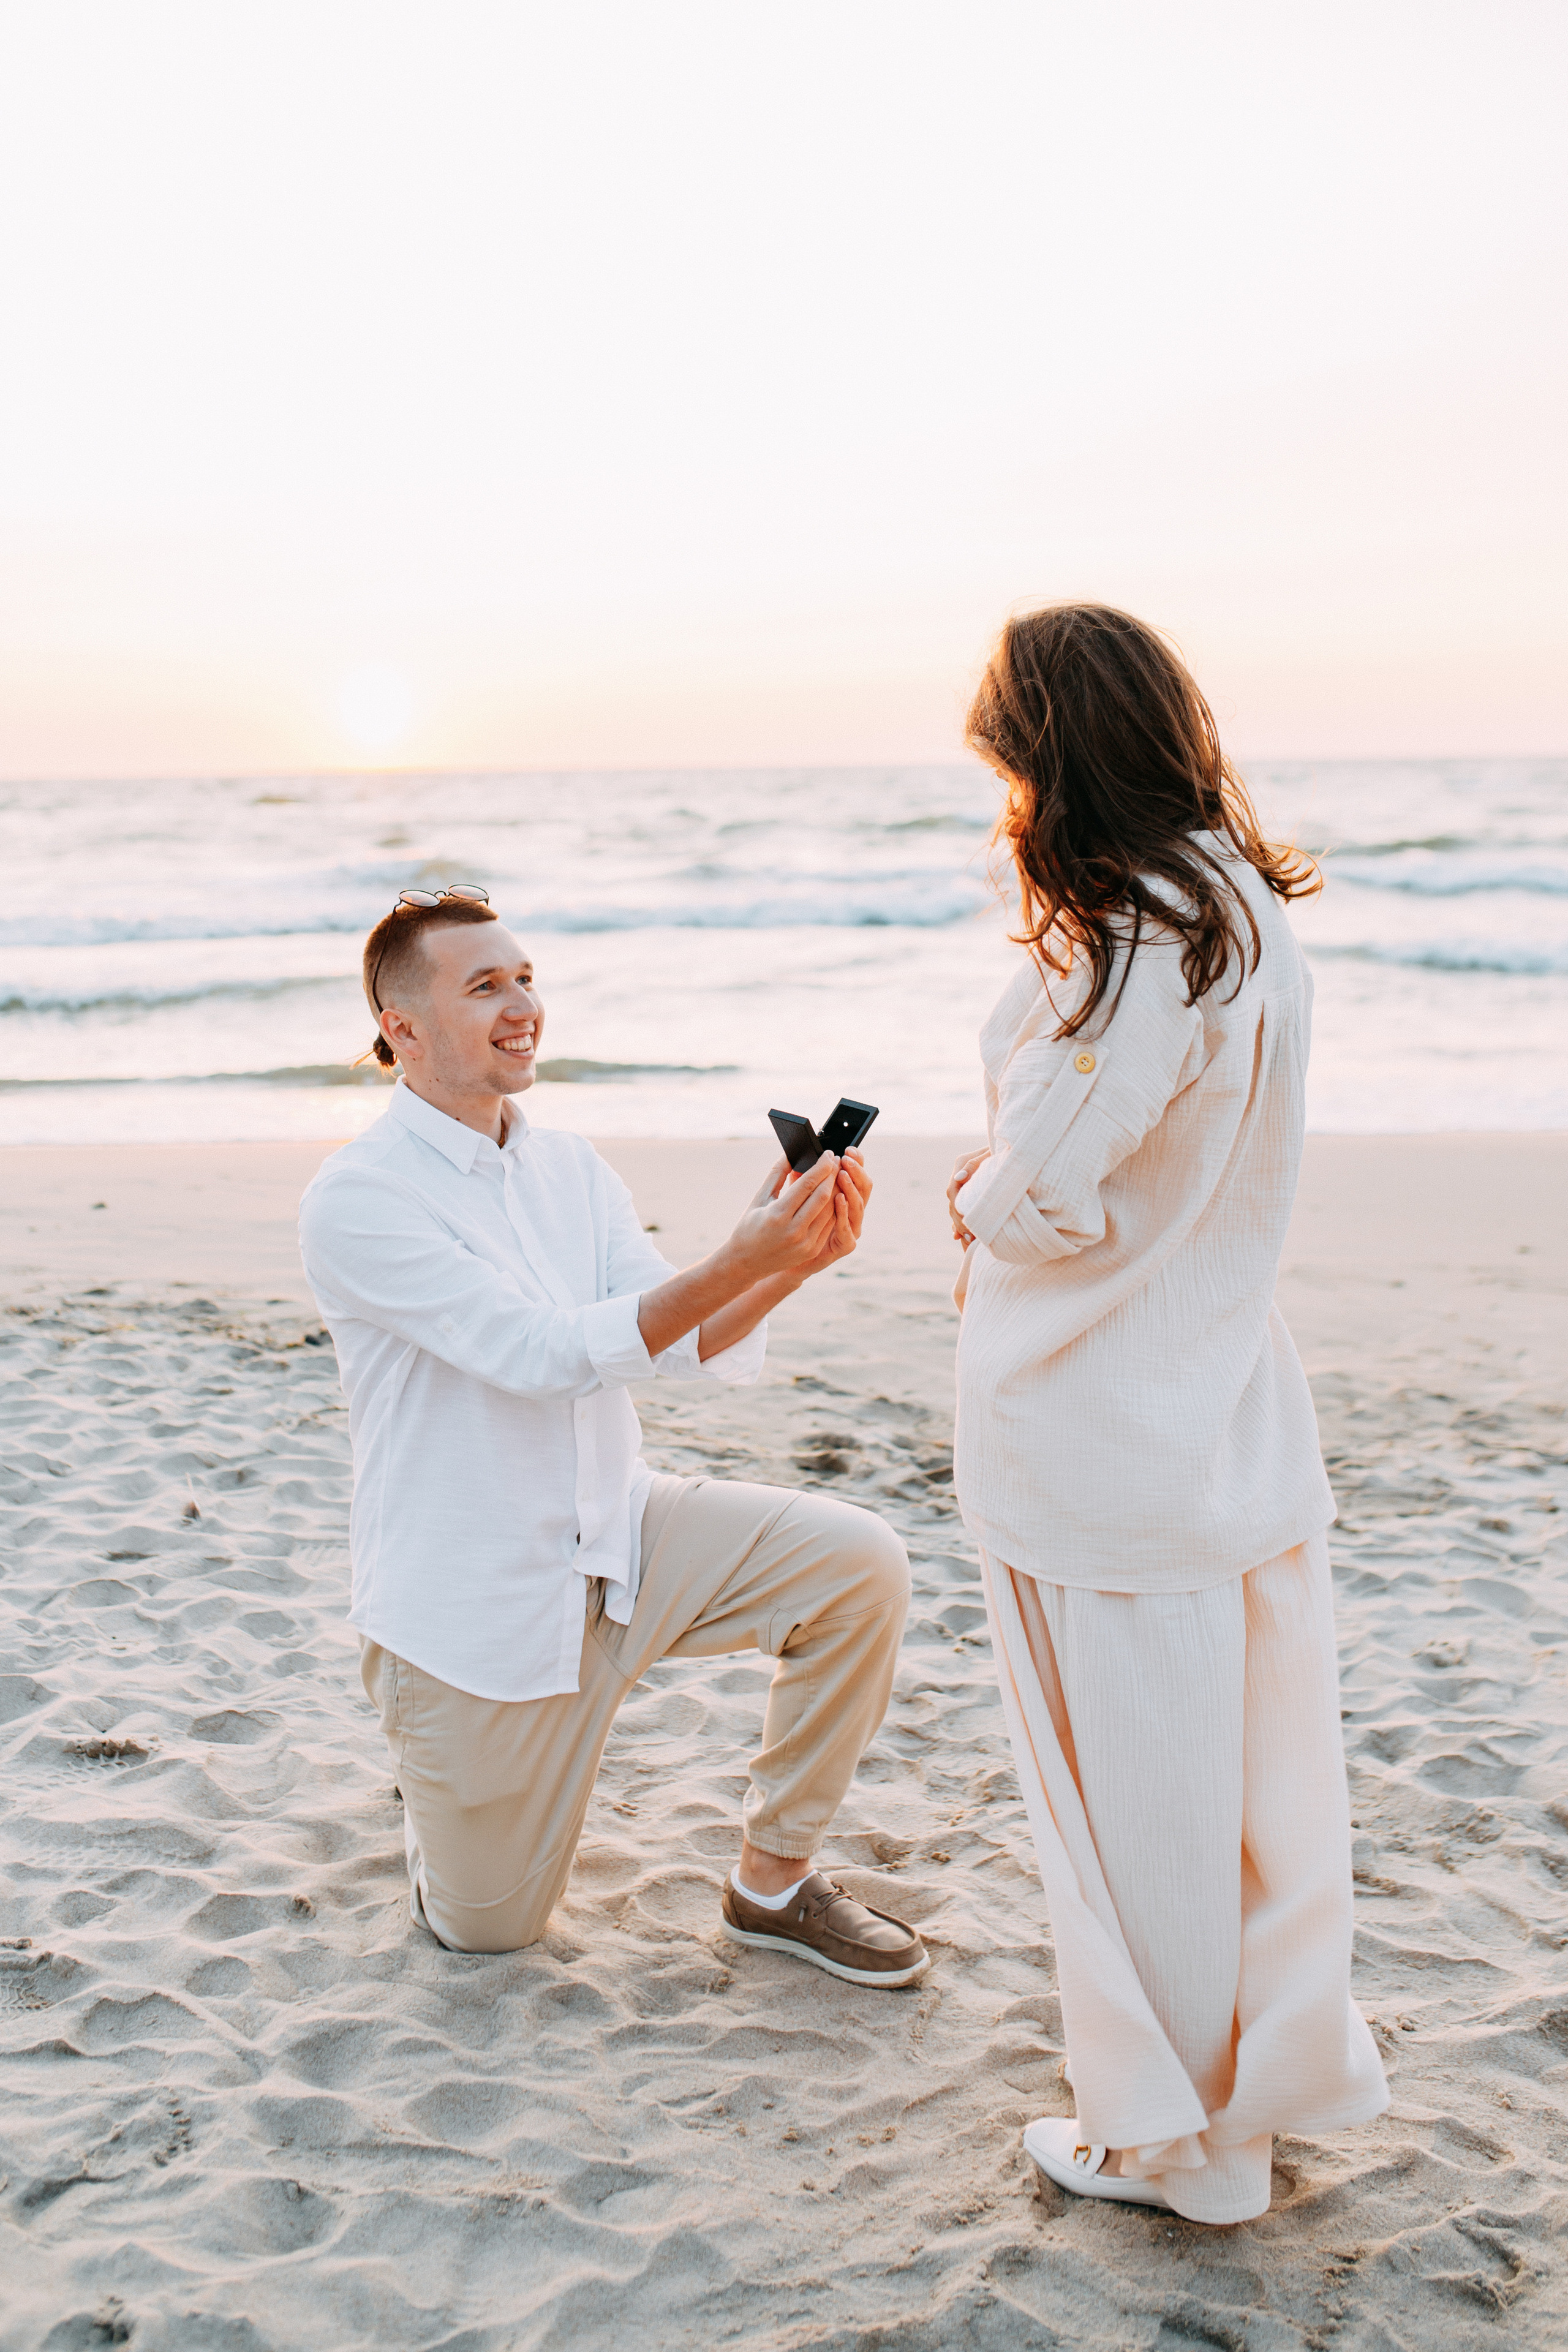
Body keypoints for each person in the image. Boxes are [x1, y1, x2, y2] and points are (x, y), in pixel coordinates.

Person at [949, 605, 1387, 2224]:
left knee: (1131, 1808)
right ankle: (1235, 2114)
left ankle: (1181, 2147)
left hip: (1098, 1420)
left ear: (1048, 746)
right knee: (1237, 1791)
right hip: (1220, 1400)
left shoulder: (1136, 925)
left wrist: (985, 1198)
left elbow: (1053, 1180)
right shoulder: (1240, 905)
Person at [298, 886, 926, 1985]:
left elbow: (673, 1343)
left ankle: (771, 1885)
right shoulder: (358, 1198)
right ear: (401, 1027)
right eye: (484, 985)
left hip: (623, 1538)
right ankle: (437, 1792)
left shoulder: (568, 1166)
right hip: (474, 1609)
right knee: (490, 1932)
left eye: (528, 976)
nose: (522, 1003)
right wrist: (740, 1257)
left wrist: (790, 1261)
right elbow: (541, 1353)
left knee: (858, 1565)